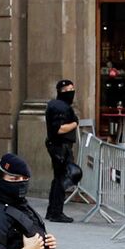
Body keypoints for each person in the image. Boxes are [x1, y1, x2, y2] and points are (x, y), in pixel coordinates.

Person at [44, 79, 80, 222]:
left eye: (71, 89)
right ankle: (55, 212)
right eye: (66, 90)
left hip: (59, 147)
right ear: (60, 92)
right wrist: (75, 123)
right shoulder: (60, 107)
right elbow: (59, 129)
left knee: (59, 178)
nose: (70, 92)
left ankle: (53, 211)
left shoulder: (59, 105)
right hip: (60, 148)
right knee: (63, 179)